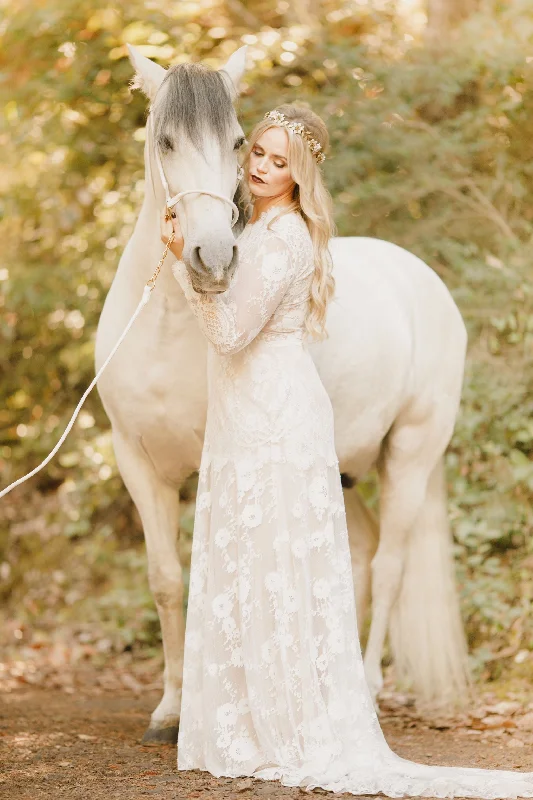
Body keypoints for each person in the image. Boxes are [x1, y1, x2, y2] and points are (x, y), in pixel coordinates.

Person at [160, 104, 533, 798]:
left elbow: (229, 335)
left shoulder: (282, 239)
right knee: (252, 559)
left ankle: (283, 724)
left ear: (300, 172)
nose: (261, 168)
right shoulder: (261, 227)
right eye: (258, 154)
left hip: (273, 408)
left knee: (275, 558)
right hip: (250, 408)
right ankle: (249, 718)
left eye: (277, 160)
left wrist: (186, 268)